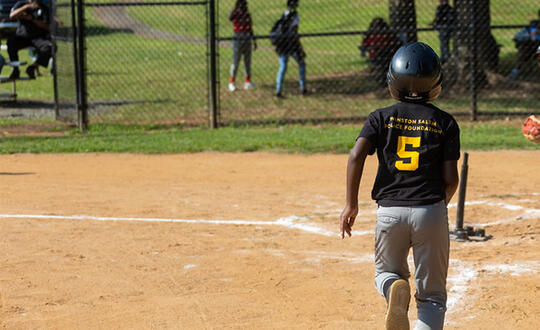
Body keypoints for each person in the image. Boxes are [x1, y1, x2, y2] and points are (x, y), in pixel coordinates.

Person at [340, 42, 460, 330]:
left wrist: (351, 204)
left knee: (385, 274)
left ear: (392, 80)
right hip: (430, 211)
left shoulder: (380, 117)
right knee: (432, 297)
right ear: (435, 82)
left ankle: (394, 286)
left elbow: (356, 155)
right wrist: (437, 205)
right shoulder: (445, 122)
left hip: (390, 212)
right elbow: (451, 178)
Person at [7, 0, 53, 80]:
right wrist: (26, 7)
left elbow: (47, 26)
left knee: (50, 47)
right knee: (11, 42)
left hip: (38, 38)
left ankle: (33, 67)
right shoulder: (21, 4)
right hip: (22, 37)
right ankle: (15, 69)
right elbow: (11, 15)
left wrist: (32, 19)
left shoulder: (43, 8)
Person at [274, 0, 306, 98]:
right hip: (291, 43)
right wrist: (300, 48)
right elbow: (294, 32)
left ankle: (278, 90)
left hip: (282, 44)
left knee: (282, 66)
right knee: (301, 63)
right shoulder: (294, 16)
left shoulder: (284, 15)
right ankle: (303, 88)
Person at [360, 18, 401, 86]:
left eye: (379, 26)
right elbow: (363, 47)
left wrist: (383, 47)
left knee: (384, 54)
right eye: (375, 26)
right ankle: (382, 80)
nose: (377, 28)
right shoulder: (370, 35)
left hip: (387, 55)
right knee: (381, 58)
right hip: (375, 56)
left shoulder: (387, 34)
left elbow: (395, 44)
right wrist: (372, 48)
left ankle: (384, 80)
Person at [228, 0, 257, 92]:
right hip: (238, 38)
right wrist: (236, 8)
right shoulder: (236, 13)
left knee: (247, 62)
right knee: (236, 62)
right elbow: (229, 18)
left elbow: (250, 28)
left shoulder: (247, 15)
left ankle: (247, 82)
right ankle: (232, 82)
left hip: (247, 38)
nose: (244, 7)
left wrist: (254, 41)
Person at [508, 9, 540, 78]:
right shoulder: (535, 23)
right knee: (523, 49)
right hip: (533, 46)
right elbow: (533, 37)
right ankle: (515, 71)